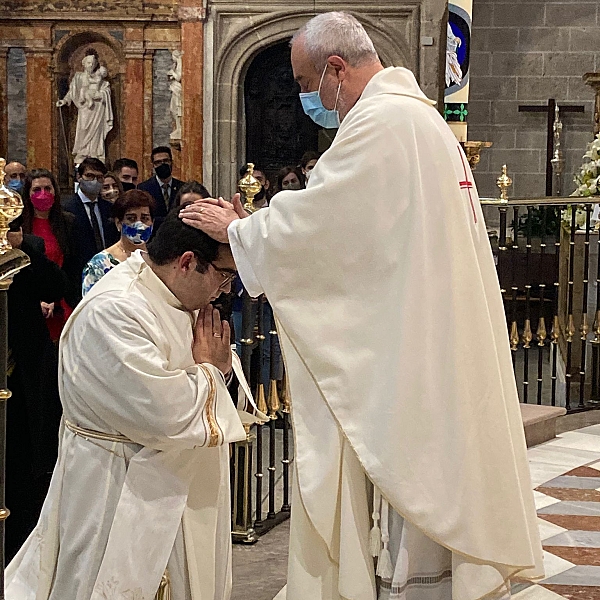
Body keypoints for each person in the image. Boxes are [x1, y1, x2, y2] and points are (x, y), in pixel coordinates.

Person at [180, 11, 544, 600]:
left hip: (413, 358)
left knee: (416, 503)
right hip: (432, 337)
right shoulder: (422, 122)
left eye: (304, 86)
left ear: (334, 69)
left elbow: (325, 224)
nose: (307, 101)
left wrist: (239, 231)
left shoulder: (382, 123)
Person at [6, 206, 265, 600]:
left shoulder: (173, 296)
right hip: (117, 486)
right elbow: (165, 414)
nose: (227, 289)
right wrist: (211, 372)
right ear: (187, 262)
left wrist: (215, 371)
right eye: (225, 275)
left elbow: (210, 375)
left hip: (172, 482)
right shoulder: (117, 311)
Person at [5, 223, 67, 560]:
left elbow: (55, 285)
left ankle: (19, 556)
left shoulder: (28, 247)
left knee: (22, 474)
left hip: (22, 379)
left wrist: (21, 250)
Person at [22, 169, 81, 339]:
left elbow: (74, 266)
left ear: (55, 191)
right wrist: (37, 302)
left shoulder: (69, 222)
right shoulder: (20, 225)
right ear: (28, 194)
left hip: (63, 302)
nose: (43, 194)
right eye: (36, 190)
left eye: (47, 189)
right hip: (32, 305)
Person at [62, 157, 120, 299]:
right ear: (79, 177)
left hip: (107, 276)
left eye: (99, 177)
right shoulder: (66, 208)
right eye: (90, 176)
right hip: (77, 278)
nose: (94, 181)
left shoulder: (108, 208)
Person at [82, 189, 156, 296]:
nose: (139, 224)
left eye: (145, 218)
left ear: (152, 223)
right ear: (118, 223)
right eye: (131, 218)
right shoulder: (98, 265)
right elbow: (90, 308)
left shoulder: (159, 260)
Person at [138, 146, 183, 220]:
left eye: (166, 161)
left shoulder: (182, 187)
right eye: (158, 162)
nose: (162, 164)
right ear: (153, 165)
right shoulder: (143, 188)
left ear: (171, 162)